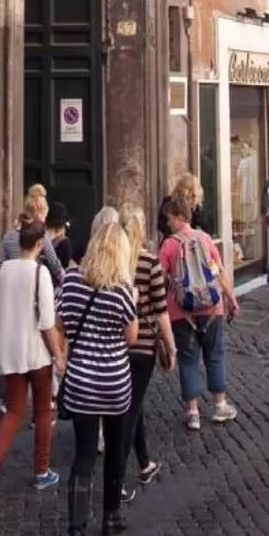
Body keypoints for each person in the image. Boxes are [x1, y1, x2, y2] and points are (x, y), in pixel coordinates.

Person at [57, 211, 138, 536]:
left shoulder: (71, 282)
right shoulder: (121, 290)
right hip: (113, 382)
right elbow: (131, 337)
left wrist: (62, 356)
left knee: (84, 454)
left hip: (80, 381)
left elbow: (59, 324)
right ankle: (110, 514)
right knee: (116, 447)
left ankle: (76, 533)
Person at [0, 218, 65, 496]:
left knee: (14, 411)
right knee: (43, 410)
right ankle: (41, 471)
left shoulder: (4, 270)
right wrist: (58, 355)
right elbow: (47, 322)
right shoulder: (40, 273)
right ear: (40, 244)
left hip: (11, 351)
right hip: (37, 353)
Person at [157, 194, 237, 430]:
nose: (168, 223)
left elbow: (158, 277)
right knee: (215, 356)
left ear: (180, 217)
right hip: (212, 309)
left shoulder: (169, 245)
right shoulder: (205, 239)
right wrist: (230, 298)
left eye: (170, 218)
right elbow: (218, 272)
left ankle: (192, 412)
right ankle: (220, 405)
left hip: (181, 312)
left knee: (188, 360)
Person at [119, 204, 173, 494]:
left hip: (118, 345)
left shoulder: (113, 262)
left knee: (134, 403)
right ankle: (116, 482)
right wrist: (171, 347)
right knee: (131, 409)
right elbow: (162, 311)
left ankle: (144, 463)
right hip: (143, 347)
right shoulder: (150, 262)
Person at [0, 185, 64, 284]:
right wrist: (66, 282)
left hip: (11, 285)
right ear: (40, 214)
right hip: (32, 283)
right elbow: (54, 264)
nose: (45, 220)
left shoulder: (8, 236)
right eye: (45, 216)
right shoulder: (41, 235)